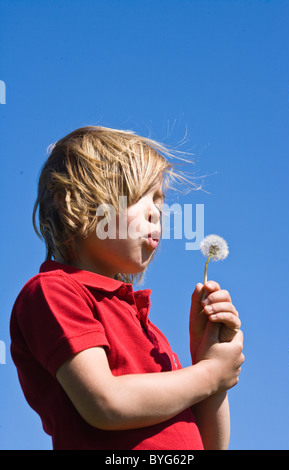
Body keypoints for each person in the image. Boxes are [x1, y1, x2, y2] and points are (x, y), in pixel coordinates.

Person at [10, 126, 244, 450]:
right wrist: (209, 375)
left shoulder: (151, 335)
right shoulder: (53, 293)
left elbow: (210, 446)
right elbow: (105, 403)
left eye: (160, 202)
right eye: (140, 197)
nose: (157, 212)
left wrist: (210, 362)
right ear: (82, 205)